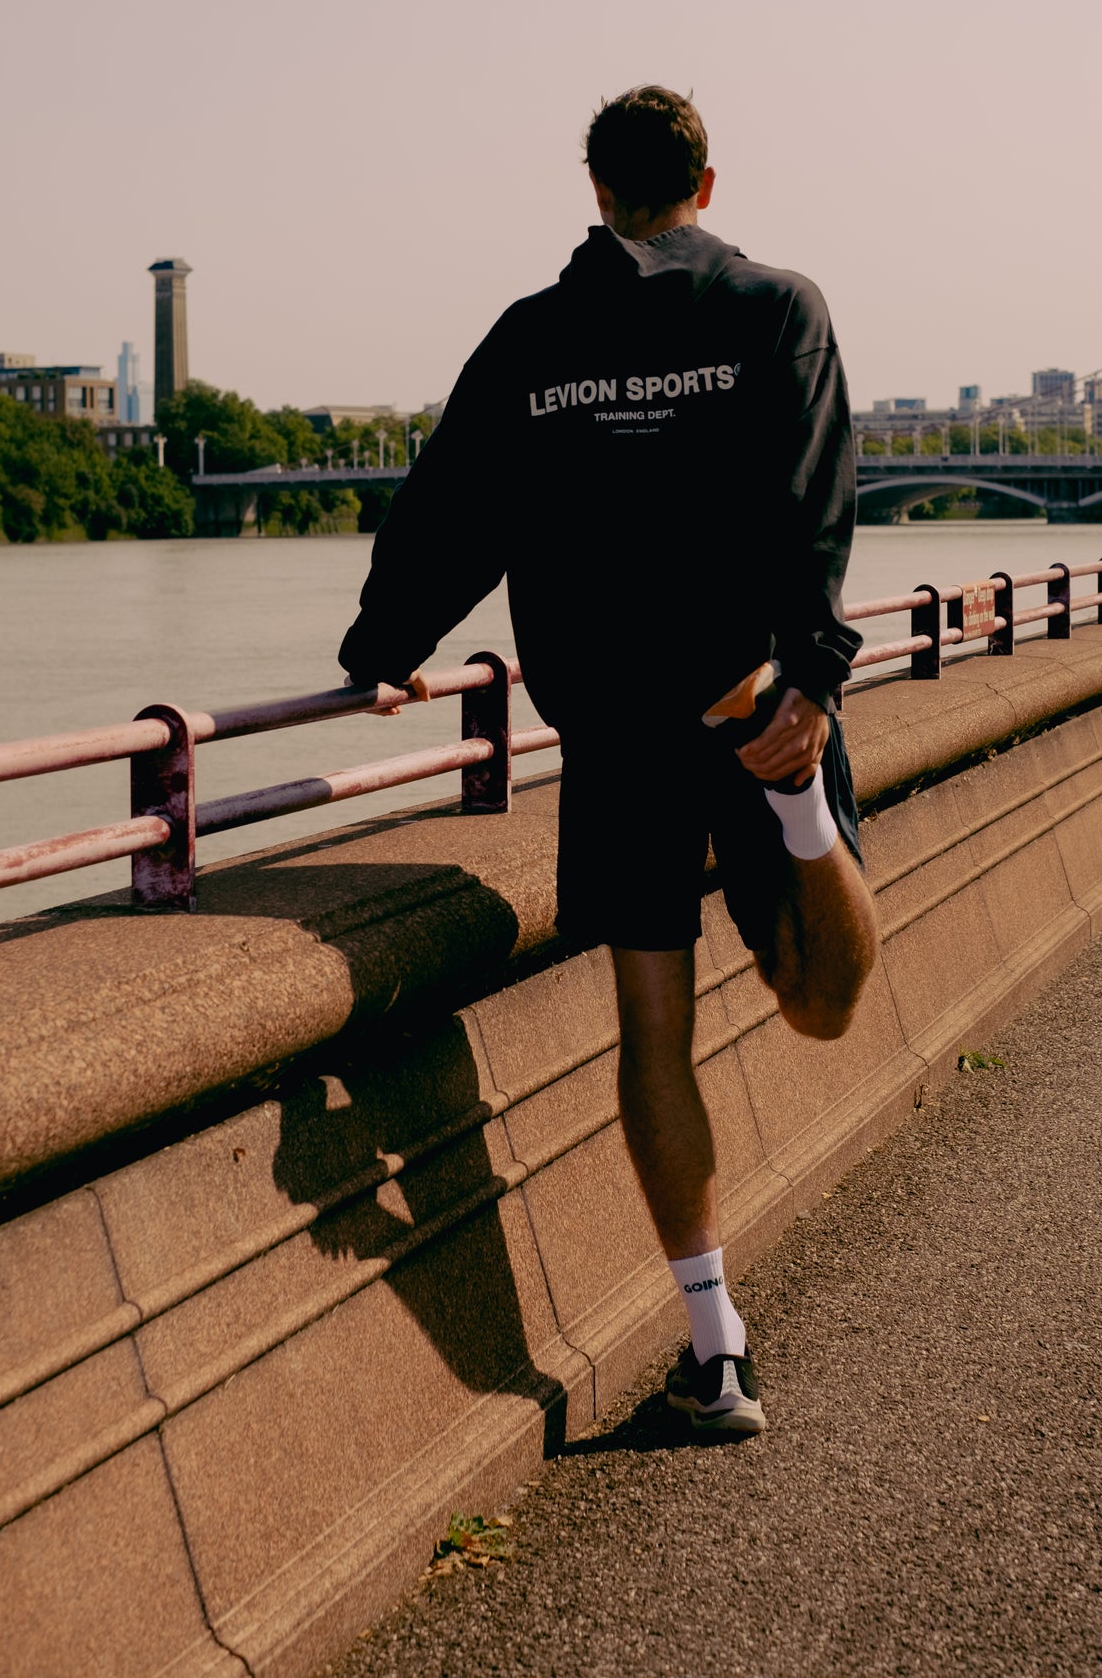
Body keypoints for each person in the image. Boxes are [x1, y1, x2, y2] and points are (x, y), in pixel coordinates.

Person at [339, 85, 880, 1436]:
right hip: (751, 696)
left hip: (616, 727)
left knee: (654, 1033)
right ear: (707, 179)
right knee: (823, 1007)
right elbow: (819, 489)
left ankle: (717, 1350)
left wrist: (384, 639)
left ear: (596, 189)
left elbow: (454, 500)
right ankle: (802, 811)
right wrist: (811, 673)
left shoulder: (534, 339)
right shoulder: (777, 311)